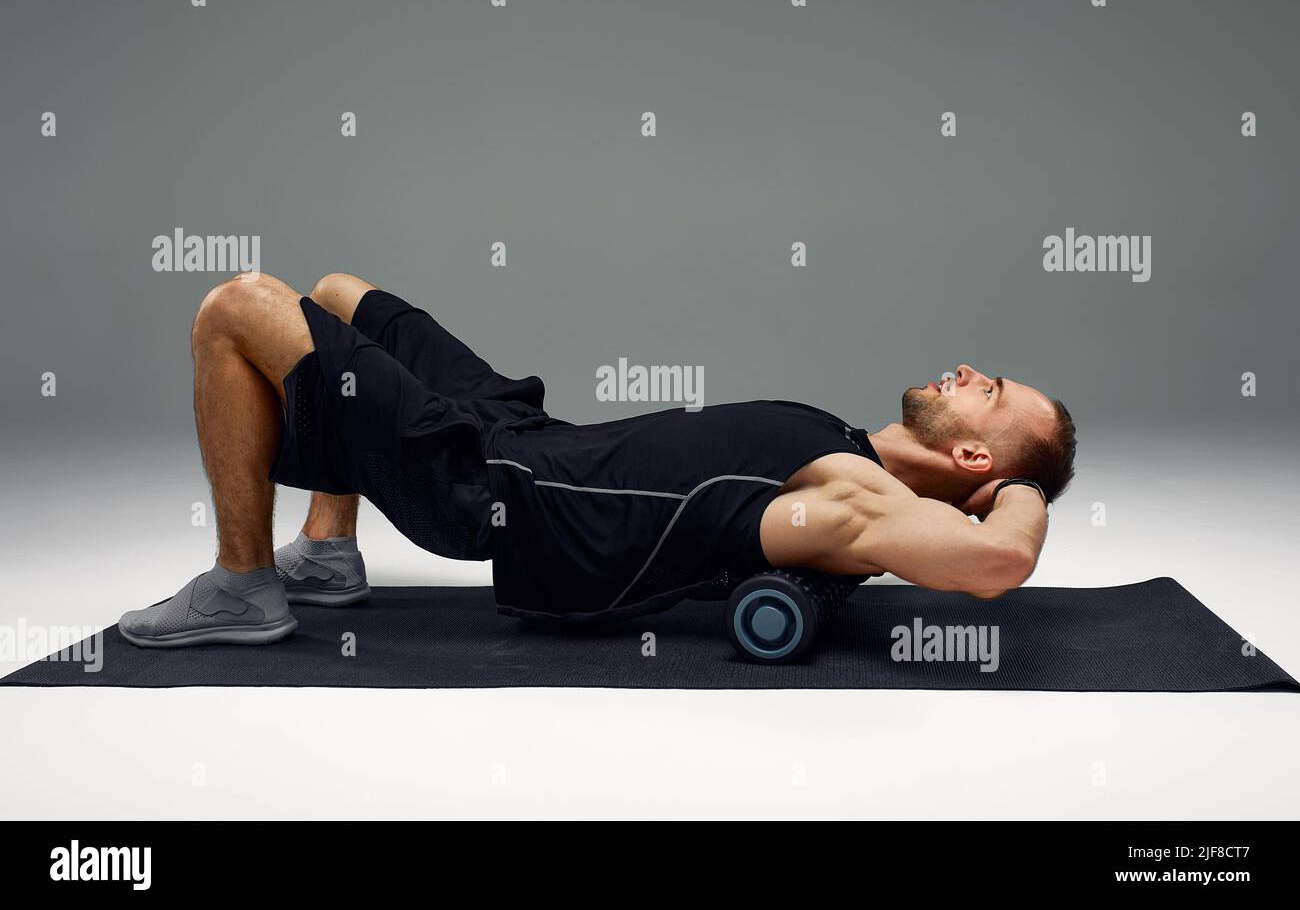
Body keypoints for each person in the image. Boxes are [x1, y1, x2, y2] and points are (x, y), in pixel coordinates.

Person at [117, 272, 1076, 647]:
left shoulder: (857, 498)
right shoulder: (846, 441)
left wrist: (1020, 492)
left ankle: (243, 583)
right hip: (532, 439)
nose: (968, 372)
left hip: (498, 494)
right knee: (337, 294)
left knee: (236, 306)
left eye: (987, 390)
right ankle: (326, 551)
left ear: (975, 455)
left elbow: (999, 562)